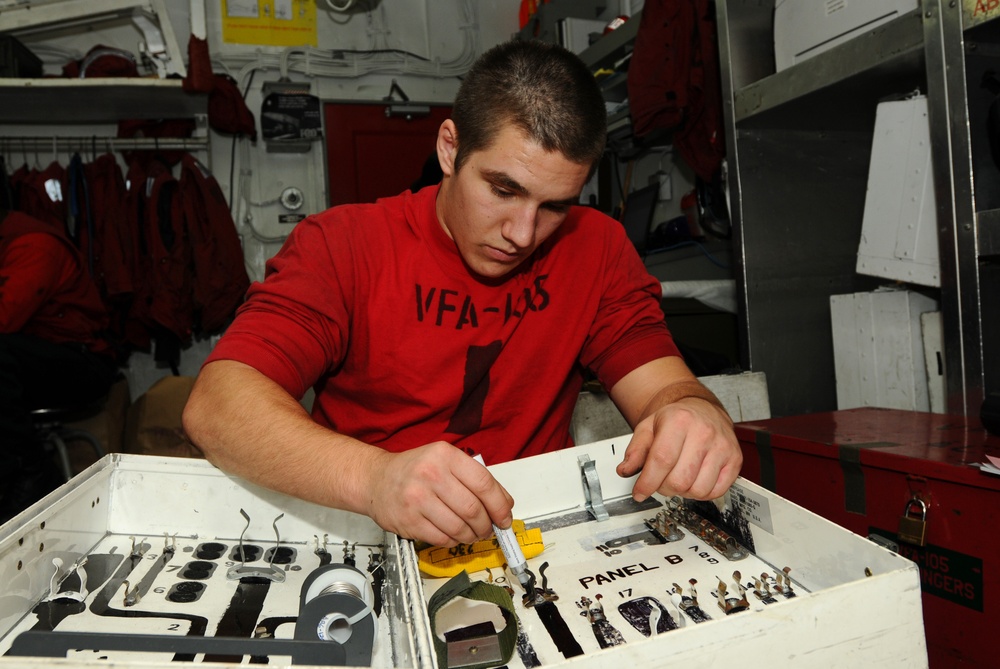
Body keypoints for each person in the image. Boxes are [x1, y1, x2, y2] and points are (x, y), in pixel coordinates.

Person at [183, 39, 741, 547]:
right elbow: (219, 405)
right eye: (503, 190)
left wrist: (692, 413)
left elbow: (665, 388)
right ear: (450, 149)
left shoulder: (596, 248)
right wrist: (374, 478)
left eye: (554, 206)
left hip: (535, 532)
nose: (522, 233)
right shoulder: (343, 245)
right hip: (366, 528)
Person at [0, 208, 118, 523]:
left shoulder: (32, 244)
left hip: (82, 363)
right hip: (37, 359)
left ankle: (31, 472)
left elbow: (5, 316)